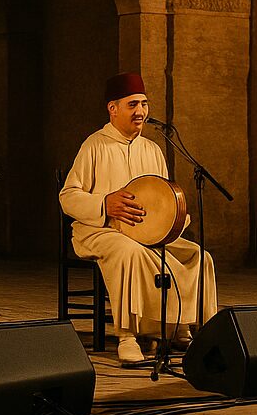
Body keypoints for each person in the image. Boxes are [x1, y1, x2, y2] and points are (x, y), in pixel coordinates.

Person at [59, 73, 218, 364]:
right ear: (113, 108)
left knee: (199, 256)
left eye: (144, 104)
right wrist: (105, 203)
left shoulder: (152, 149)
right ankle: (128, 335)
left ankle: (179, 327)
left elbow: (164, 198)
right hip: (102, 230)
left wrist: (174, 218)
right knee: (132, 253)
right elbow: (67, 196)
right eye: (133, 104)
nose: (141, 111)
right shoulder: (95, 145)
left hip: (148, 233)